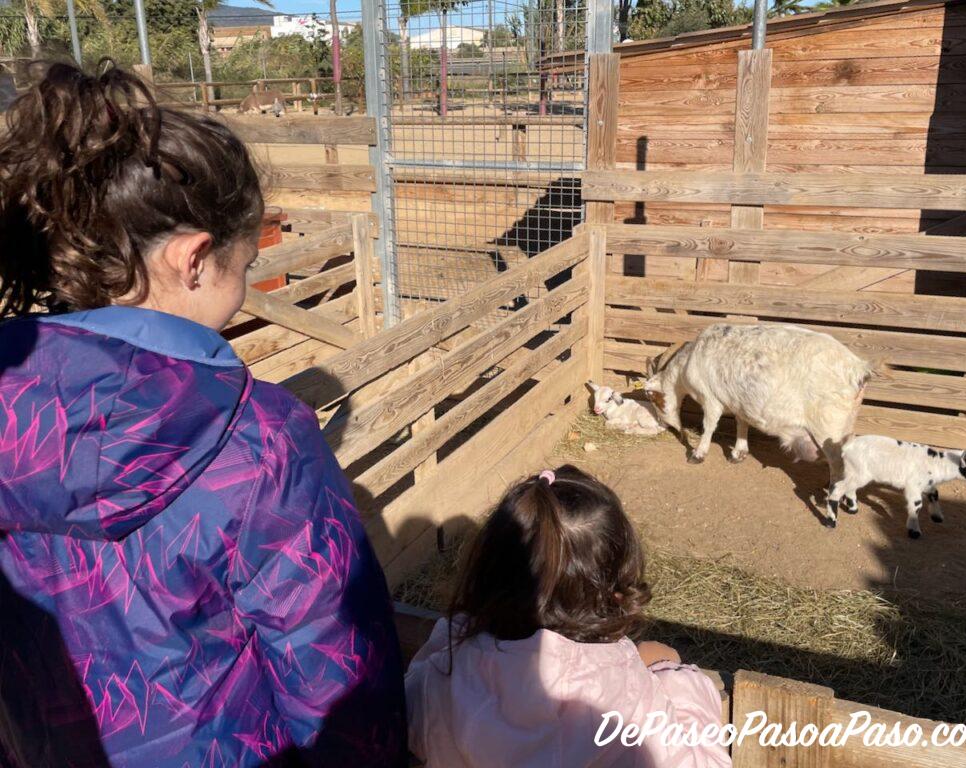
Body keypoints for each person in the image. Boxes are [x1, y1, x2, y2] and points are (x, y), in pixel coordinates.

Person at [0, 62, 406, 767]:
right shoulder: (259, 441)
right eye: (245, 264)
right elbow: (339, 682)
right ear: (194, 259)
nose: (245, 287)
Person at [405, 465, 731, 767]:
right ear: (616, 593)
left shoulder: (448, 671)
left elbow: (410, 716)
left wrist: (448, 639)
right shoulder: (624, 692)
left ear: (486, 571)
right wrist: (679, 679)